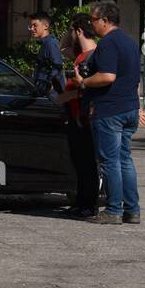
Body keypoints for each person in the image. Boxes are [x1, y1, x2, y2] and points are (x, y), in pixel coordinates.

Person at [69, 0, 141, 225]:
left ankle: (113, 210)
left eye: (93, 19)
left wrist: (84, 82)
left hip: (111, 110)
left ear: (105, 20)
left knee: (110, 161)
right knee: (124, 160)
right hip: (129, 108)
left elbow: (107, 76)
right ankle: (132, 210)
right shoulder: (129, 42)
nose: (92, 24)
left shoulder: (108, 43)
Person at [55, 13, 98, 219]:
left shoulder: (93, 56)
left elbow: (90, 90)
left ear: (79, 31)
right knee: (78, 162)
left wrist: (68, 96)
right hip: (73, 115)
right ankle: (81, 201)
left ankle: (89, 204)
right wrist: (71, 31)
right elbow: (62, 48)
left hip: (84, 117)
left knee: (87, 163)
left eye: (73, 30)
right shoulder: (80, 54)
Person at [29, 12, 66, 101]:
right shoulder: (45, 43)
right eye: (30, 26)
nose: (32, 29)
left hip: (52, 97)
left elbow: (57, 66)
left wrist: (49, 86)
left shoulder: (50, 43)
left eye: (35, 25)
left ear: (46, 26)